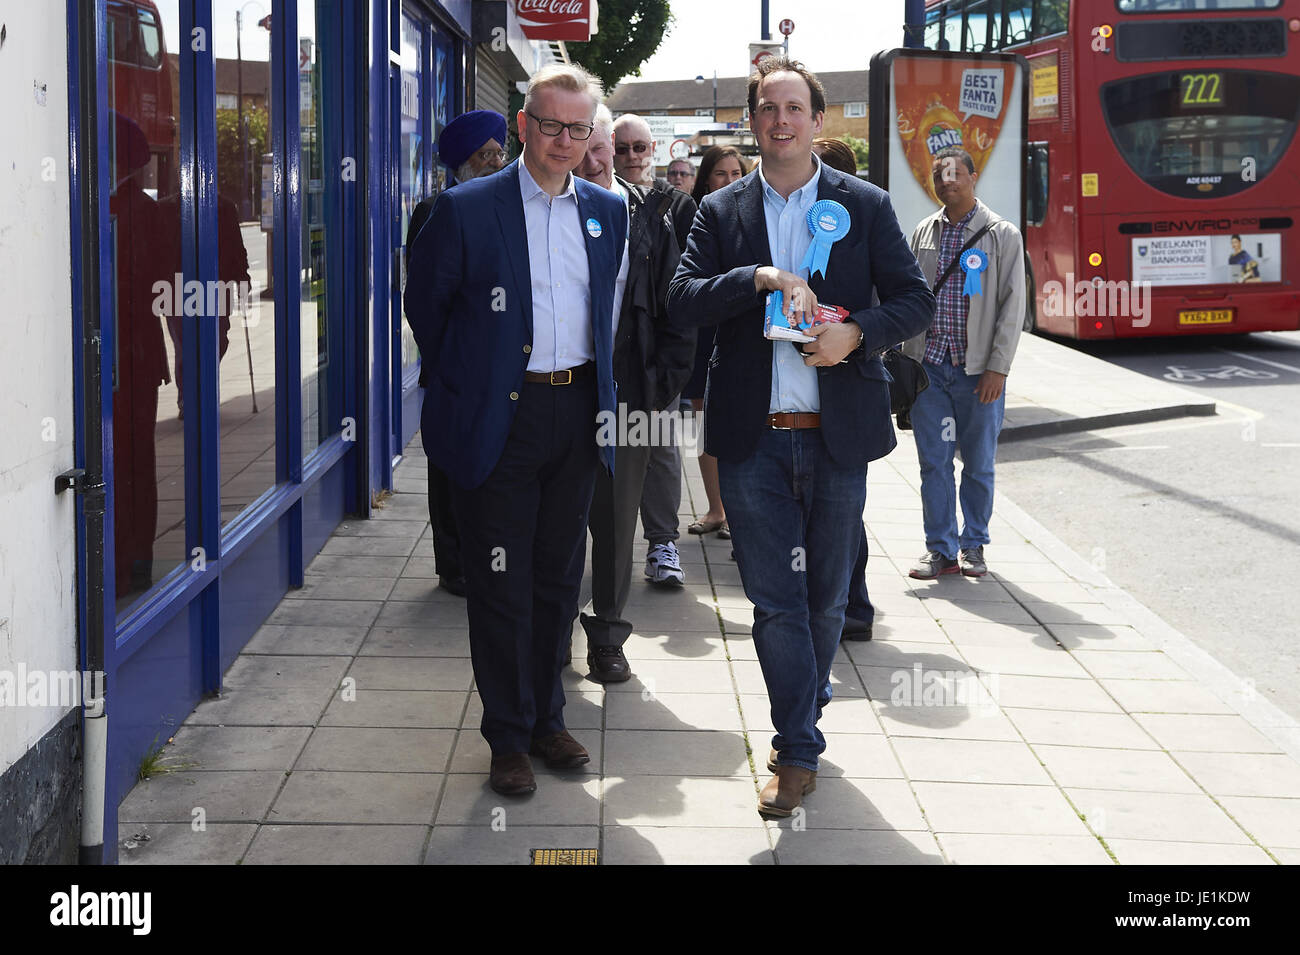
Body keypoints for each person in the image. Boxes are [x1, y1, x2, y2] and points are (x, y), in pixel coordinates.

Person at [668, 57, 934, 818]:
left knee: (824, 600)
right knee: (775, 603)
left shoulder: (866, 203)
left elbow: (913, 300)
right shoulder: (720, 213)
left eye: (794, 107)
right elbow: (682, 302)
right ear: (753, 122)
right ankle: (795, 746)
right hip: (752, 441)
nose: (780, 120)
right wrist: (752, 277)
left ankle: (803, 701)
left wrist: (856, 334)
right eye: (766, 108)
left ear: (818, 121)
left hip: (838, 436)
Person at [403, 64, 627, 797]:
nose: (565, 141)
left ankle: (546, 718)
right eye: (551, 125)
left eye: (579, 128)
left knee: (560, 577)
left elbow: (605, 312)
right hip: (503, 414)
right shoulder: (465, 209)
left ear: (591, 133)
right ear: (523, 125)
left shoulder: (606, 210)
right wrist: (472, 382)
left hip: (577, 411)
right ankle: (506, 735)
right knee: (501, 581)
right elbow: (428, 313)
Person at [575, 106, 696, 681]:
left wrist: (661, 386)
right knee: (556, 517)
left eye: (607, 147)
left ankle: (607, 634)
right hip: (555, 390)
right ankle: (550, 634)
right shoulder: (544, 212)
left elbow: (677, 306)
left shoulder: (649, 214)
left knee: (620, 521)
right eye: (593, 147)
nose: (601, 160)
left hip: (630, 394)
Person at [901, 146, 1026, 580]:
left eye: (954, 173)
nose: (946, 181)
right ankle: (940, 550)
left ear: (973, 177)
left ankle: (974, 546)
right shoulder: (922, 233)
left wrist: (998, 367)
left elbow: (1014, 308)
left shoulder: (1002, 234)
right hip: (929, 369)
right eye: (939, 175)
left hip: (978, 374)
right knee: (933, 463)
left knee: (979, 464)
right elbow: (908, 296)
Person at [404, 110, 508, 598]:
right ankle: (454, 565)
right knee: (450, 467)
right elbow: (425, 300)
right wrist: (452, 361)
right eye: (484, 155)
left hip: (505, 370)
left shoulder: (514, 207)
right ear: (461, 164)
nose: (495, 162)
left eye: (499, 153)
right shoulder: (436, 210)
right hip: (455, 370)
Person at [612, 113, 699, 587]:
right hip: (606, 353)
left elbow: (689, 285)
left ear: (653, 152)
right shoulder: (596, 199)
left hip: (659, 353)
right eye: (621, 148)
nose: (630, 157)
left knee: (661, 445)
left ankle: (662, 543)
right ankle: (610, 550)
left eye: (638, 148)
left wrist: (673, 360)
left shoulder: (678, 207)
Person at [812, 138, 873, 640]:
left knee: (846, 518)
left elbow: (902, 299)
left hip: (849, 395)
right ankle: (847, 604)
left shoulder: (867, 217)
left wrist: (851, 330)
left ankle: (855, 604)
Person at [681, 145, 750, 542]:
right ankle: (716, 508)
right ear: (706, 178)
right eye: (721, 174)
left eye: (736, 173)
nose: (729, 181)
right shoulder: (695, 216)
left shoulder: (754, 214)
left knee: (743, 419)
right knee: (706, 421)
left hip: (744, 327)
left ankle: (742, 513)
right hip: (705, 329)